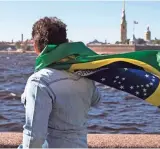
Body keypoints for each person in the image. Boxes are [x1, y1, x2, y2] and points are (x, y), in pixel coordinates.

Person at [19, 17, 101, 148]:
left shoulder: (39, 81)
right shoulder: (84, 74)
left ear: (35, 45)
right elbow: (96, 100)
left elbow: (34, 139)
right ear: (66, 43)